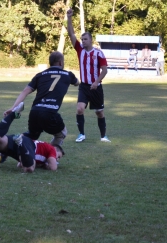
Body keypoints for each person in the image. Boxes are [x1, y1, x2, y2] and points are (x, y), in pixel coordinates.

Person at [4, 51, 80, 146]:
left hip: (35, 112)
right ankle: (49, 156)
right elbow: (77, 83)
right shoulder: (68, 75)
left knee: (32, 135)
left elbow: (25, 91)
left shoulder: (40, 75)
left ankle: (9, 144)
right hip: (50, 112)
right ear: (61, 62)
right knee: (61, 134)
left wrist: (13, 107)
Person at [66, 8, 111, 143]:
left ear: (91, 40)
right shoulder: (80, 50)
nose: (83, 41)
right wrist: (69, 18)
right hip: (84, 86)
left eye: (85, 39)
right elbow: (71, 34)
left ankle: (103, 136)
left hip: (96, 87)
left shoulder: (99, 53)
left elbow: (104, 70)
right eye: (82, 39)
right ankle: (81, 134)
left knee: (99, 112)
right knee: (80, 109)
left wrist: (97, 82)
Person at [0, 102, 65, 172]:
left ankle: (12, 115)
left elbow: (19, 165)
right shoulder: (51, 149)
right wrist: (45, 166)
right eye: (58, 156)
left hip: (22, 146)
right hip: (27, 143)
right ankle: (20, 143)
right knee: (29, 168)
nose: (57, 159)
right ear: (55, 149)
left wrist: (38, 163)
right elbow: (53, 168)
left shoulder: (42, 153)